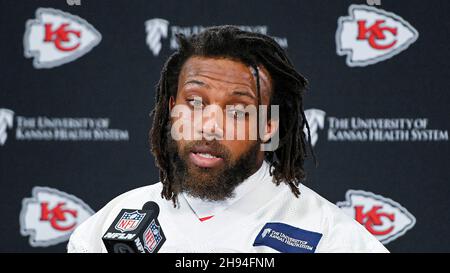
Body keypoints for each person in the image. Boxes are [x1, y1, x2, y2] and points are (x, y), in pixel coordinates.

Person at [67, 25, 388, 253]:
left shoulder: (330, 237)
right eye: (194, 103)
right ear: (172, 110)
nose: (210, 126)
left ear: (268, 126)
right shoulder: (106, 229)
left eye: (237, 110)